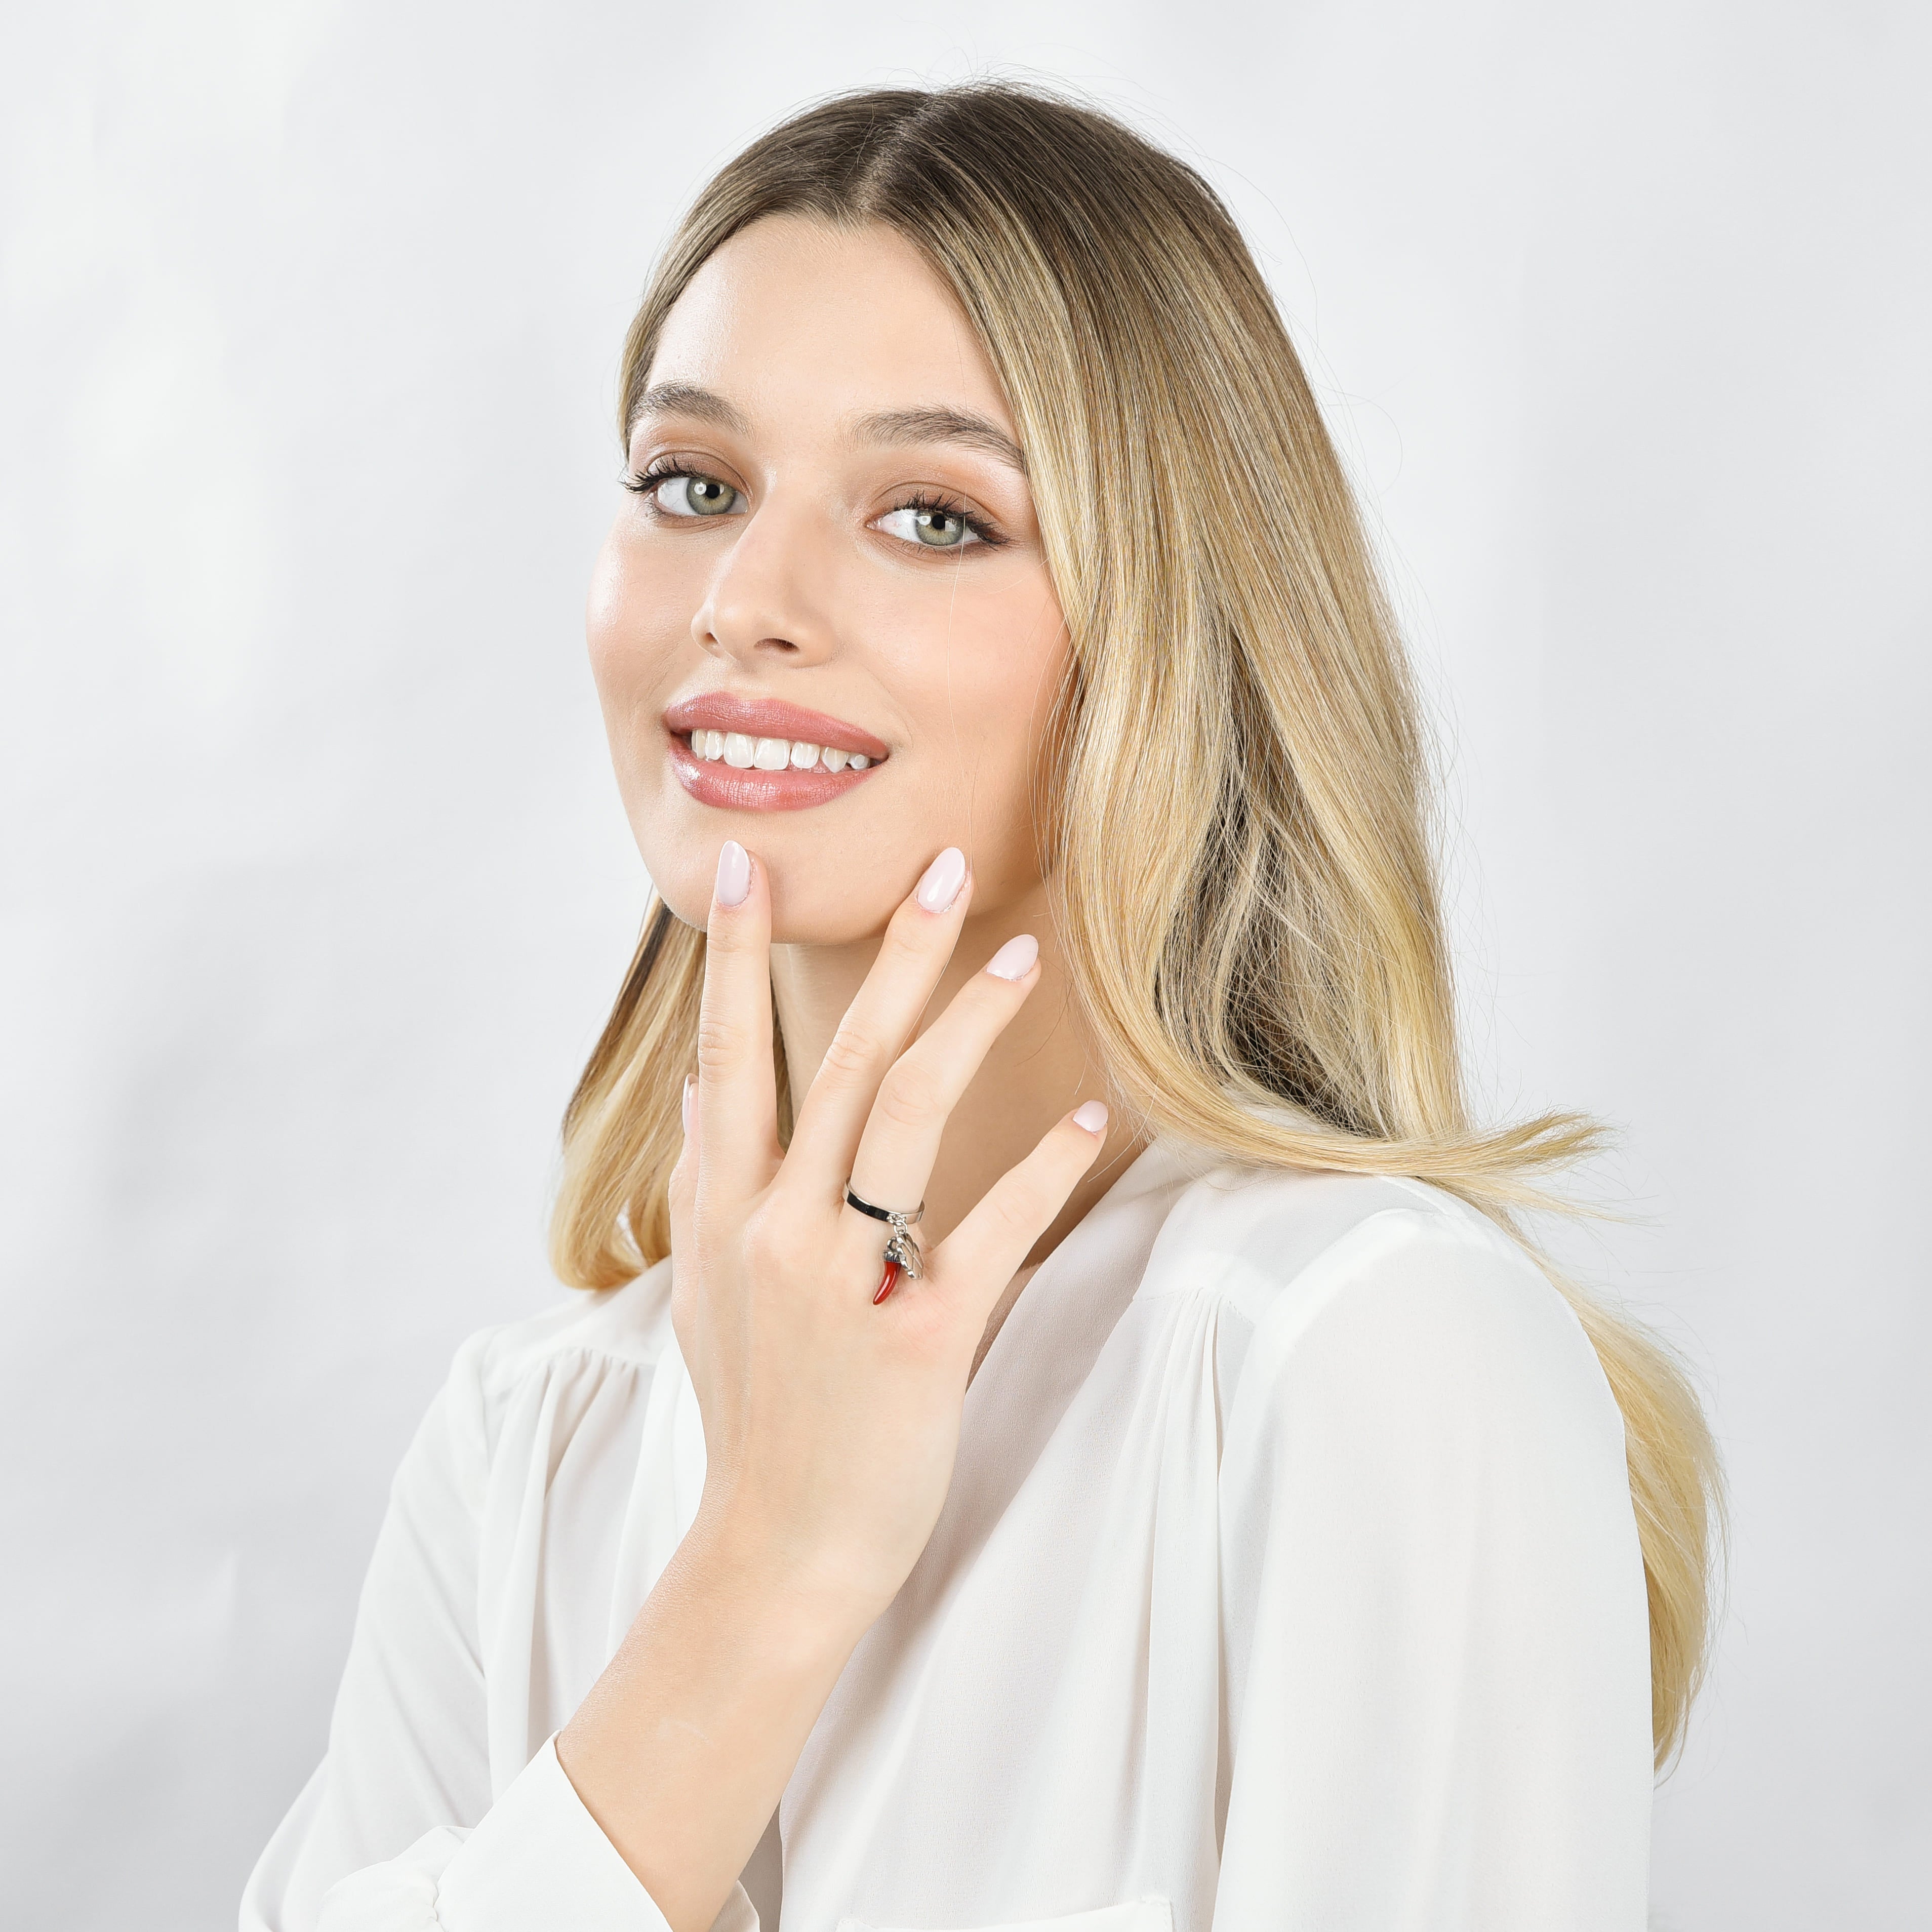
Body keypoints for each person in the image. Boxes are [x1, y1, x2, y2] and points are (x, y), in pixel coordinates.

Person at [242, 82, 1720, 1932]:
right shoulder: (528, 1449)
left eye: (935, 515)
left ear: (1166, 628)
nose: (747, 601)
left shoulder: (1357, 1353)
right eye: (693, 485)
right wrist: (767, 1570)